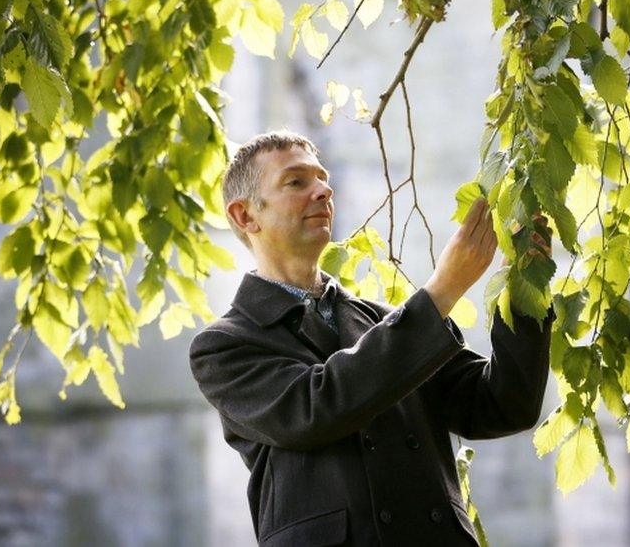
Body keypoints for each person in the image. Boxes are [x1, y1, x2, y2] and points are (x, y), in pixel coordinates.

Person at [188, 129, 555, 546]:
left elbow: (505, 406)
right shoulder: (223, 346)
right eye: (296, 181)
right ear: (245, 216)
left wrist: (524, 287)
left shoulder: (384, 322)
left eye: (322, 177)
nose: (324, 189)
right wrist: (441, 292)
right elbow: (317, 408)